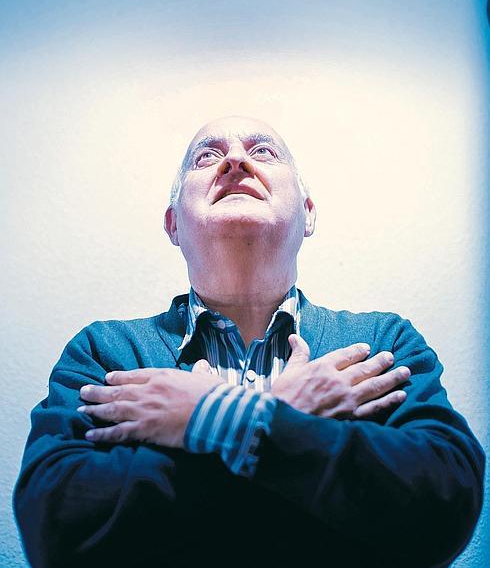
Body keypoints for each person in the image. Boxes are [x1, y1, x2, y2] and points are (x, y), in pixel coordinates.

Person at [14, 116, 484, 568]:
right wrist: (287, 419)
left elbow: (445, 502)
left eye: (263, 152)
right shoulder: (105, 352)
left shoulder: (380, 342)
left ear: (308, 214)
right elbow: (56, 532)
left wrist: (212, 417)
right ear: (173, 224)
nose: (235, 161)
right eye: (206, 157)